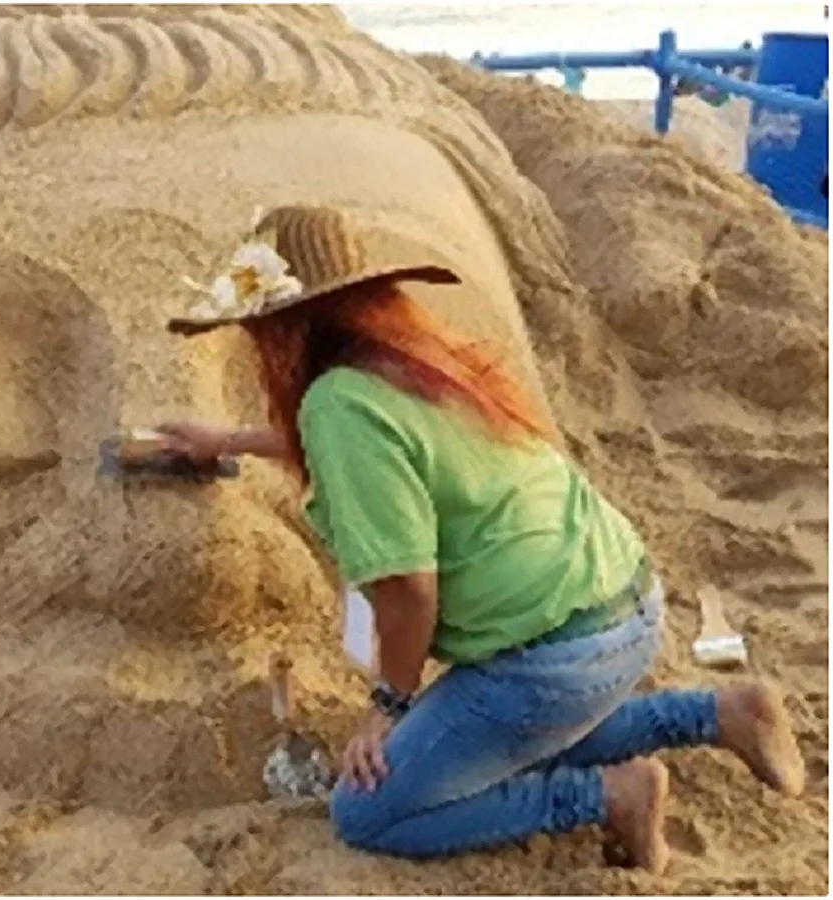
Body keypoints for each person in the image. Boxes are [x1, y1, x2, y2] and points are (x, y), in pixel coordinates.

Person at [161, 204, 805, 874]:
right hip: (626, 609)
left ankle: (609, 796)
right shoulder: (413, 360)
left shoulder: (337, 406)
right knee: (503, 742)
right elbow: (374, 447)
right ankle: (721, 712)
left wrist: (387, 708)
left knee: (368, 808)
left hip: (550, 660)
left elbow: (409, 591)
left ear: (286, 328)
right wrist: (229, 440)